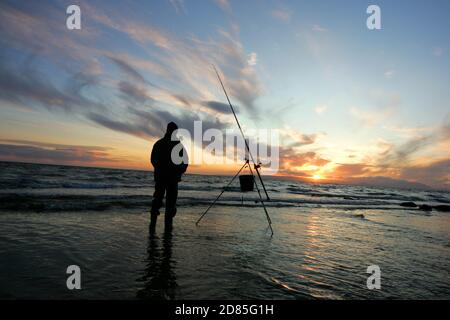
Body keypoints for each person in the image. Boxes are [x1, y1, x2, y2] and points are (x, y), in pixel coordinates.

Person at [150, 122, 188, 231]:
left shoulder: (160, 144)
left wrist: (160, 170)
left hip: (164, 178)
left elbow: (153, 160)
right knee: (167, 204)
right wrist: (178, 172)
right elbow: (185, 163)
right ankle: (164, 227)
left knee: (160, 201)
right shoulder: (177, 146)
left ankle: (154, 227)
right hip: (170, 179)